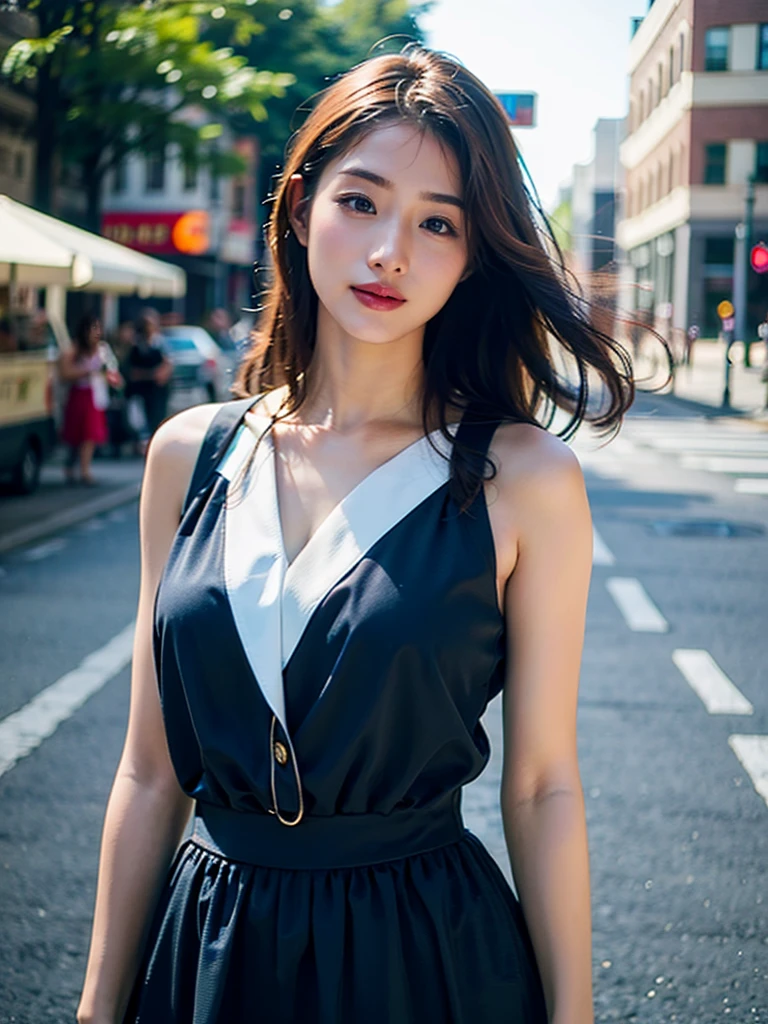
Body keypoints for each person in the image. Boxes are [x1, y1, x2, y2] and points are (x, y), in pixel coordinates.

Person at [78, 44, 634, 1024]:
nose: (390, 253)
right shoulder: (189, 457)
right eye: (361, 202)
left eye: (437, 224)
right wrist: (95, 1008)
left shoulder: (524, 478)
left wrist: (575, 1015)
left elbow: (543, 784)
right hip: (212, 952)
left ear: (473, 255)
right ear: (300, 208)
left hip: (424, 955)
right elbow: (149, 768)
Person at [58, 314, 121, 485]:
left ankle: (85, 470)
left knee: (90, 434)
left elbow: (113, 373)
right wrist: (87, 372)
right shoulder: (74, 349)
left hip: (96, 396)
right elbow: (64, 373)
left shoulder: (103, 350)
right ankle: (72, 466)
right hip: (80, 394)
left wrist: (111, 378)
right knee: (76, 435)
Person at [125, 308, 173, 444]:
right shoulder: (137, 345)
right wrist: (149, 374)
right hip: (141, 389)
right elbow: (133, 372)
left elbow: (165, 368)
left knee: (157, 417)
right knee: (139, 418)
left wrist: (152, 374)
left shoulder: (160, 343)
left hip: (158, 390)